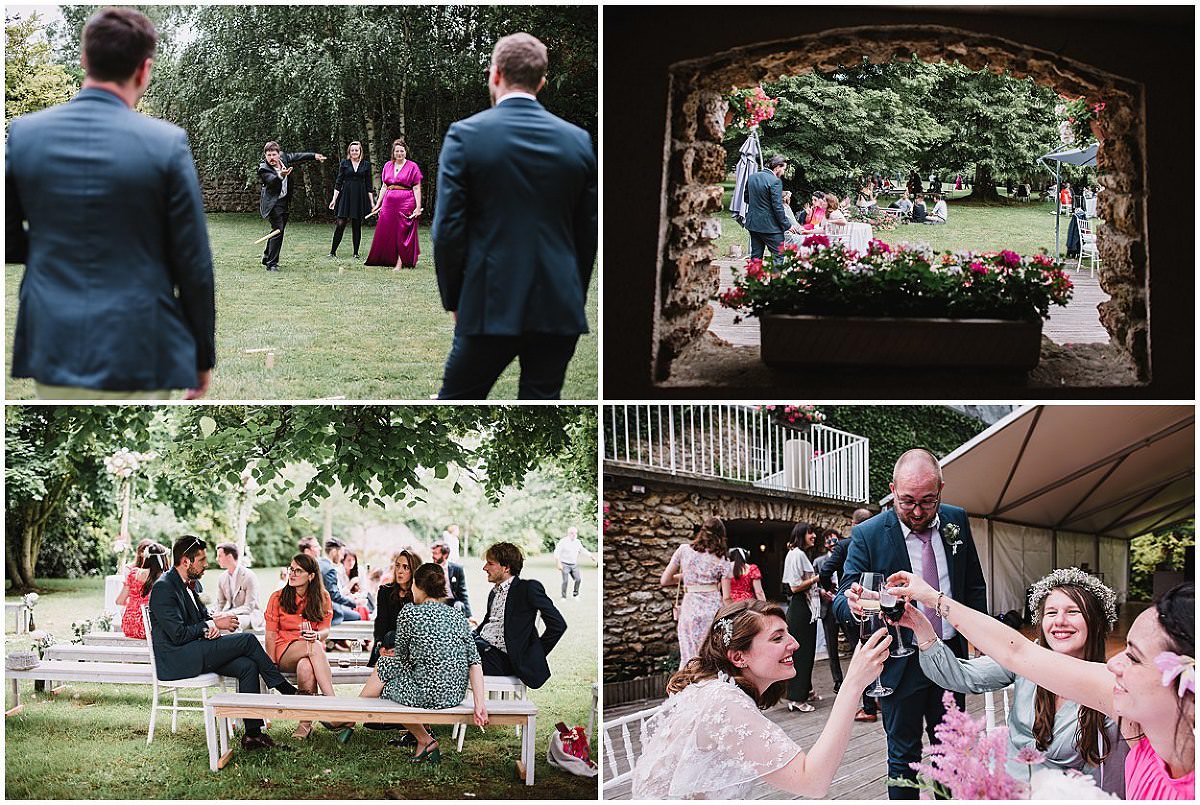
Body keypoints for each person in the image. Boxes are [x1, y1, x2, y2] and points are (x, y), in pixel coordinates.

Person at [6, 7, 214, 400]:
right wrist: (201, 357)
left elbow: (8, 240)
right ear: (144, 70)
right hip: (140, 342)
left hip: (55, 340)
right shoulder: (166, 144)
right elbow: (193, 264)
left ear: (84, 59)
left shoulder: (24, 135)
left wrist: (58, 243)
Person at [886, 577, 1194, 800]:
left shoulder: (1122, 702)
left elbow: (1110, 787)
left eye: (1073, 612)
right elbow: (1004, 657)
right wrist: (923, 623)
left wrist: (935, 598)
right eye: (1051, 612)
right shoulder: (1031, 667)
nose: (1060, 621)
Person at [432, 33, 597, 400]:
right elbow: (587, 235)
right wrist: (572, 297)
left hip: (489, 303)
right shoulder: (577, 141)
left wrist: (455, 301)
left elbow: (447, 231)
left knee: (458, 400)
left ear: (496, 74)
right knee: (542, 401)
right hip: (559, 306)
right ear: (542, 82)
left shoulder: (465, 136)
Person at [832, 449, 988, 799]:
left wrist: (981, 638)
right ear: (892, 490)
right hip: (900, 661)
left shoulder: (956, 520)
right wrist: (854, 604)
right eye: (907, 502)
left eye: (927, 501)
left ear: (941, 490)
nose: (917, 512)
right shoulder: (868, 533)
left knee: (952, 751)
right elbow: (843, 595)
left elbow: (973, 584)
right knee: (903, 757)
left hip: (950, 656)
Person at [630, 599, 892, 799]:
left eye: (787, 633)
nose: (795, 644)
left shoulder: (720, 690)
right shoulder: (723, 701)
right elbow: (812, 782)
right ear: (738, 657)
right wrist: (853, 684)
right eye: (777, 638)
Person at [147, 536, 298, 750]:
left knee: (248, 666)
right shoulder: (164, 587)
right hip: (178, 659)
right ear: (186, 561)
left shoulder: (186, 584)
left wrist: (212, 625)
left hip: (194, 651)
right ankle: (284, 688)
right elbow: (178, 634)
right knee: (248, 640)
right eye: (202, 560)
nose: (206, 564)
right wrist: (212, 624)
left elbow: (199, 618)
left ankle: (253, 736)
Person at [351, 563, 489, 758]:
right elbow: (474, 663)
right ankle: (424, 741)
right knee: (387, 667)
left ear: (418, 586)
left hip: (427, 696)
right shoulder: (458, 616)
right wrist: (479, 704)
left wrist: (393, 658)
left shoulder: (410, 612)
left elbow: (402, 659)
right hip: (453, 696)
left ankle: (351, 717)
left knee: (385, 678)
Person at [474, 541, 566, 688]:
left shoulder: (527, 589)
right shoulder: (494, 592)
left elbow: (558, 625)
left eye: (490, 564)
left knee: (451, 658)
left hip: (502, 659)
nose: (485, 568)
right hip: (481, 647)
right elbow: (488, 623)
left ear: (506, 568)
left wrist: (534, 655)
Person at [264, 553, 336, 739]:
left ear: (311, 576)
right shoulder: (277, 597)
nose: (292, 573)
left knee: (306, 667)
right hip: (283, 652)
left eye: (298, 570)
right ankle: (334, 706)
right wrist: (271, 664)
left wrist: (317, 635)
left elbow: (325, 630)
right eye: (291, 569)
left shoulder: (323, 597)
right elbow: (270, 634)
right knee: (314, 647)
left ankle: (305, 725)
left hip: (310, 652)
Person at [820, 508, 878, 722]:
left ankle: (869, 708)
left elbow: (825, 571)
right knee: (877, 651)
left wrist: (832, 592)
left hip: (853, 604)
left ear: (853, 524)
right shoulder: (878, 541)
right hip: (878, 604)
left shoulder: (844, 545)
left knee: (862, 653)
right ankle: (877, 698)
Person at [660, 517, 730, 669]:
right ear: (721, 536)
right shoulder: (723, 559)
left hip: (690, 609)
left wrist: (689, 578)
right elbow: (727, 597)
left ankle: (687, 681)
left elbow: (665, 580)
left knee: (688, 656)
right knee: (710, 656)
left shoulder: (683, 550)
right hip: (713, 611)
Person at [258, 141, 326, 272]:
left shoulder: (283, 158)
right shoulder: (263, 168)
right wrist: (281, 175)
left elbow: (297, 156)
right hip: (273, 204)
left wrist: (314, 156)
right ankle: (272, 264)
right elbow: (271, 180)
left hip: (284, 201)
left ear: (279, 154)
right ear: (265, 155)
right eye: (268, 155)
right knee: (278, 230)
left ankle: (267, 256)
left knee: (277, 230)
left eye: (273, 154)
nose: (271, 158)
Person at [365, 138, 422, 270]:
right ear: (393, 152)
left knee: (402, 230)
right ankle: (386, 258)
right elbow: (384, 186)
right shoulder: (387, 165)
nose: (399, 153)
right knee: (387, 230)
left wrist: (418, 207)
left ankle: (400, 262)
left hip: (406, 202)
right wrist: (378, 204)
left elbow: (416, 188)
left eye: (402, 151)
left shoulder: (413, 166)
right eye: (397, 151)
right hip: (388, 203)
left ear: (405, 152)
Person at [782, 522, 820, 712]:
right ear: (801, 534)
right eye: (810, 533)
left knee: (807, 651)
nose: (814, 536)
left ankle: (806, 689)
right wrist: (817, 578)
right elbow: (795, 586)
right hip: (801, 607)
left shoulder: (797, 554)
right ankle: (796, 698)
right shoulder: (797, 554)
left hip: (804, 606)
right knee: (802, 653)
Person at [368, 549, 421, 667]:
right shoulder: (385, 591)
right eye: (397, 566)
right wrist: (380, 645)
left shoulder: (419, 594)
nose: (400, 571)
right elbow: (381, 622)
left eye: (406, 567)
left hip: (409, 648)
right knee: (389, 636)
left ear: (414, 570)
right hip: (387, 643)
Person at [744, 155, 799, 259]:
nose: (783, 172)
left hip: (753, 224)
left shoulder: (752, 177)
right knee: (779, 256)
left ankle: (754, 271)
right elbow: (777, 207)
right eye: (783, 169)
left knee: (756, 257)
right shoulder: (775, 181)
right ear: (777, 167)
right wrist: (788, 225)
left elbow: (746, 198)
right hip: (771, 228)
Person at [328, 141, 375, 259]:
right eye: (352, 150)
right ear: (349, 151)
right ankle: (332, 252)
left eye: (356, 150)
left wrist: (372, 203)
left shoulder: (366, 165)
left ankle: (356, 253)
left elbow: (369, 185)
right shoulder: (344, 163)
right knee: (340, 223)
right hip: (346, 196)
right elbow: (338, 182)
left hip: (359, 197)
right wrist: (334, 199)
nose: (354, 152)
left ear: (360, 151)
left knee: (356, 224)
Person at [813, 529, 845, 693]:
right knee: (832, 647)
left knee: (855, 642)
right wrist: (821, 591)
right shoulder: (819, 561)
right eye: (828, 541)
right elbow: (813, 583)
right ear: (825, 544)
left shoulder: (847, 557)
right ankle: (838, 681)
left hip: (845, 604)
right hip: (828, 606)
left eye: (834, 540)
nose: (832, 544)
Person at [120, 543, 169, 639]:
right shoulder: (165, 578)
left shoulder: (133, 573)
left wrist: (134, 604)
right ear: (163, 559)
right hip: (152, 628)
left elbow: (120, 601)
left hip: (130, 626)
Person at [214, 542, 264, 632]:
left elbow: (249, 607)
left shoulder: (249, 576)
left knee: (233, 623)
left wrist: (227, 614)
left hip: (250, 615)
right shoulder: (222, 578)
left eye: (220, 556)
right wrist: (216, 614)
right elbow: (220, 603)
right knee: (212, 623)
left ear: (229, 557)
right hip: (231, 613)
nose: (217, 559)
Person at [319, 538, 363, 625]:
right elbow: (334, 595)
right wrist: (354, 603)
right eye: (341, 553)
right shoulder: (330, 569)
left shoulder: (318, 564)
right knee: (357, 616)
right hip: (326, 609)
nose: (342, 557)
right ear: (334, 552)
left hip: (317, 606)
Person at [554, 526, 596, 600]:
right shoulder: (563, 541)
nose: (574, 535)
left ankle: (575, 594)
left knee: (578, 579)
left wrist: (591, 556)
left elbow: (582, 550)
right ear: (568, 534)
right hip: (565, 564)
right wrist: (558, 563)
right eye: (572, 533)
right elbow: (557, 552)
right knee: (565, 581)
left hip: (573, 564)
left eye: (575, 533)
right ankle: (563, 597)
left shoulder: (577, 542)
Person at [431, 540, 471, 617]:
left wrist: (469, 615)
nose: (433, 556)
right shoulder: (430, 569)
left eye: (436, 553)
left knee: (459, 605)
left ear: (445, 555)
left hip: (453, 601)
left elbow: (462, 592)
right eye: (433, 553)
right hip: (437, 601)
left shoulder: (457, 569)